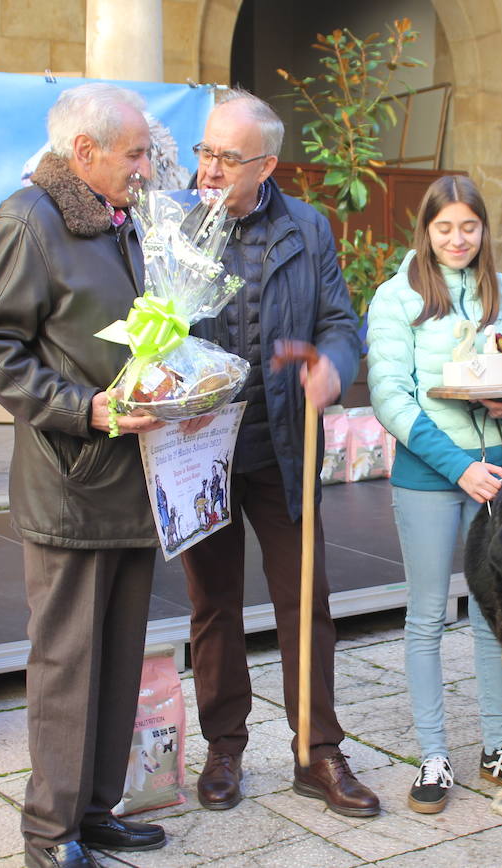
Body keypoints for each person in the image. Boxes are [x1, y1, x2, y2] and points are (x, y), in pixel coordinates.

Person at [0, 83, 169, 868]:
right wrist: (86, 411)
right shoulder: (30, 219)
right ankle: (49, 834)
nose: (146, 168)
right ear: (85, 154)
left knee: (118, 653)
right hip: (73, 473)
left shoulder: (118, 219)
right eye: (136, 153)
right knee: (66, 661)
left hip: (131, 471)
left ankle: (95, 807)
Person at [181, 89, 377, 818]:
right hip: (198, 450)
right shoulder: (176, 223)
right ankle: (223, 746)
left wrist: (332, 362)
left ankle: (316, 751)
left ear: (265, 165)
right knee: (213, 606)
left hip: (282, 445)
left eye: (226, 158)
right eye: (204, 151)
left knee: (306, 604)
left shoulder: (308, 227)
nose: (209, 168)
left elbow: (340, 320)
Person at [366, 174, 502, 813]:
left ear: (483, 230)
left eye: (468, 227)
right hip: (430, 475)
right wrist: (458, 469)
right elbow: (392, 396)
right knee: (426, 615)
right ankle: (433, 753)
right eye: (443, 227)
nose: (456, 239)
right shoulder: (397, 298)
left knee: (496, 614)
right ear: (425, 230)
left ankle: (498, 743)